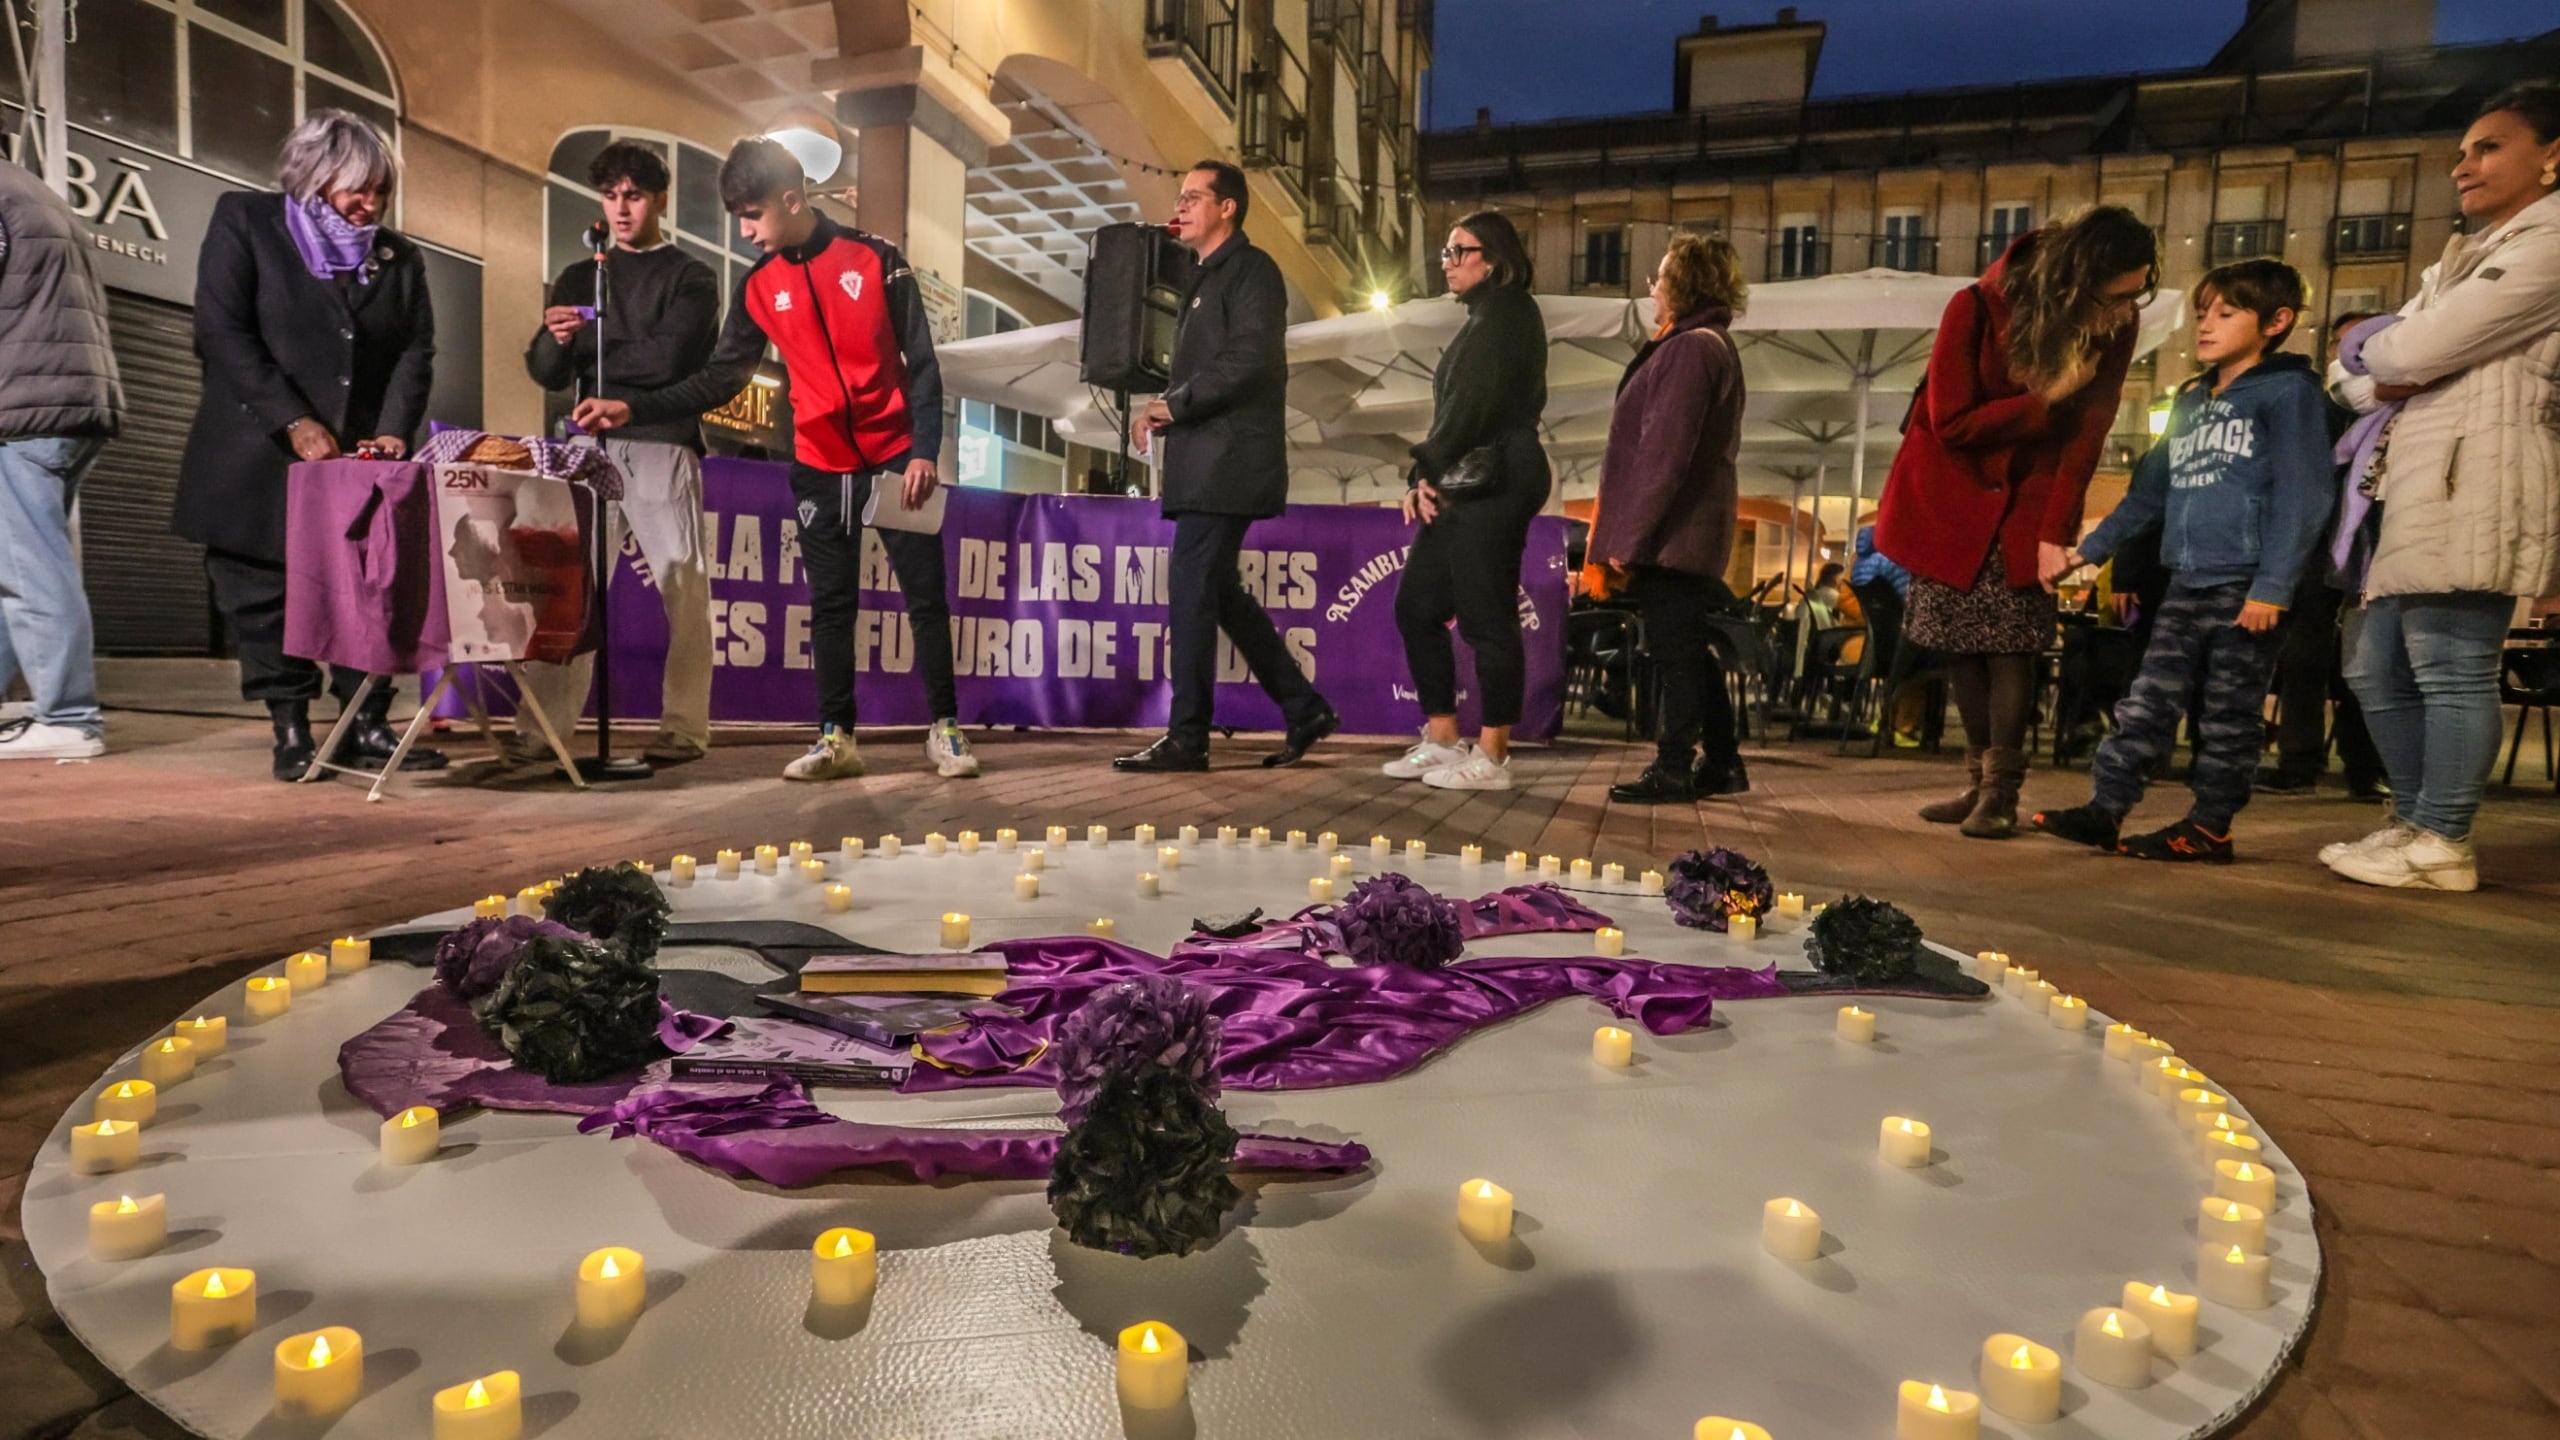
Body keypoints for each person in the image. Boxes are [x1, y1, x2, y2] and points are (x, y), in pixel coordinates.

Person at [575, 136, 979, 782]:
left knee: (924, 598)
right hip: (818, 462)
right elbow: (721, 377)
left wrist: (924, 452)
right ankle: (836, 738)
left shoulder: (876, 260)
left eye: (753, 215)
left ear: (791, 200)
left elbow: (922, 364)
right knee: (830, 605)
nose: (745, 231)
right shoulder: (761, 286)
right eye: (738, 216)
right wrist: (632, 408)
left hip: (896, 457)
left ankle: (946, 729)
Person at [2322, 84, 2560, 892]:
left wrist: (2390, 355)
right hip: (2422, 474)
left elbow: (2406, 353)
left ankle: (2444, 839)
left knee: (2451, 663)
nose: (2464, 165)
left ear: (2552, 157)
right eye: (2460, 151)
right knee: (2374, 668)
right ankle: (2415, 818)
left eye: (2488, 147)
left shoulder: (2549, 241)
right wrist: (2387, 356)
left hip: (2481, 474)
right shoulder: (2467, 252)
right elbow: (2356, 374)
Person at [2029, 259, 2335, 863]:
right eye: (2202, 314)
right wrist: (2085, 553)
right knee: (2146, 701)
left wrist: (2273, 587)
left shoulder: (2289, 393)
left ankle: (2210, 826)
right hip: (2186, 581)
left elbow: (2305, 493)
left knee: (2228, 712)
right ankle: (2105, 809)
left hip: (2246, 586)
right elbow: (2149, 494)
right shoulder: (2193, 398)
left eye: (2225, 313)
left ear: (2277, 321)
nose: (2206, 326)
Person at [174, 110, 441, 782]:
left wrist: (391, 431)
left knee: (365, 591)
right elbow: (222, 330)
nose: (370, 204)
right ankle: (290, 730)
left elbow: (415, 350)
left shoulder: (399, 259)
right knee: (263, 595)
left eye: (380, 190)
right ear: (314, 176)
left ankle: (365, 724)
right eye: (357, 188)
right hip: (257, 454)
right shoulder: (247, 222)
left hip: (356, 464)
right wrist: (290, 418)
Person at [1874, 205, 2156, 837]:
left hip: (2029, 498)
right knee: (1960, 646)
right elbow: (1951, 423)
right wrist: (2045, 398)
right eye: (2118, 293)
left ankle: (2000, 793)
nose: (2128, 307)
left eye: (2138, 291)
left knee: (2012, 647)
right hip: (1949, 497)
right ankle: (1976, 782)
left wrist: (2056, 531)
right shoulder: (1974, 306)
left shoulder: (2116, 324)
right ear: (2074, 278)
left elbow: (2091, 430)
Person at [1113, 160, 1338, 773]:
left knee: (1190, 593)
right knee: (1219, 595)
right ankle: (1304, 708)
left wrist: (1173, 404)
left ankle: (1188, 737)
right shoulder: (1204, 278)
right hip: (1209, 462)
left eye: (1192, 197)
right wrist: (1167, 408)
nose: (1179, 208)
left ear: (1227, 207)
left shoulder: (1253, 271)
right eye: (1180, 198)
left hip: (1229, 464)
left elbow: (1250, 359)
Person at [519, 140, 720, 765]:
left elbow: (671, 359)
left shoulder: (692, 276)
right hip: (585, 449)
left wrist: (592, 350)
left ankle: (685, 728)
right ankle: (542, 731)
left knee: (682, 592)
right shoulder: (582, 273)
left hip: (661, 445)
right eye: (611, 196)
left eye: (634, 195)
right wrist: (557, 342)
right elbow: (545, 370)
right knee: (571, 592)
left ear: (660, 199)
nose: (621, 208)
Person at [1380, 210, 1549, 792]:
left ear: (1494, 259)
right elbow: (1460, 413)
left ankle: (1494, 754)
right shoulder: (1482, 318)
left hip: (1497, 479)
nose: (1446, 262)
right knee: (1417, 605)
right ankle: (1446, 736)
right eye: (1445, 252)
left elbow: (1472, 407)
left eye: (1458, 251)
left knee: (1486, 616)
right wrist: (1426, 477)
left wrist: (1423, 468)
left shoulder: (1507, 313)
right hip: (1464, 479)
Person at [1590, 231, 1750, 804]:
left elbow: (1664, 453)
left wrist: (1630, 536)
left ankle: (1674, 766)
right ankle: (1724, 762)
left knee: (1674, 653)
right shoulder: (1708, 344)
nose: (1651, 288)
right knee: (1689, 647)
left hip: (1675, 532)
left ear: (1684, 284)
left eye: (1659, 277)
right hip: (1690, 528)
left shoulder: (1690, 349)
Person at [0, 157, 123, 762]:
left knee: (31, 569)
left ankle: (69, 718)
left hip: (21, 409)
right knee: (13, 565)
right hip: (69, 402)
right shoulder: (35, 193)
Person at [2257, 310, 2387, 799]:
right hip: (2317, 546)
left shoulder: (2396, 402)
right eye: (2338, 343)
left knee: (2365, 662)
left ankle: (2365, 768)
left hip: (2375, 544)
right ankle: (2300, 761)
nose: (2346, 353)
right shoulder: (2317, 404)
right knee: (2304, 659)